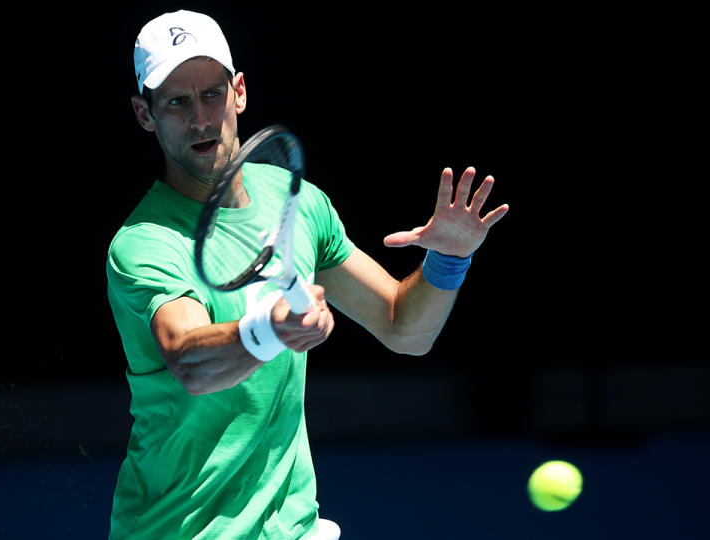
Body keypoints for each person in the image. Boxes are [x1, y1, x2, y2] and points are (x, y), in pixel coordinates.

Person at [106, 10, 509, 539]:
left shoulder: (293, 200)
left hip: (292, 527)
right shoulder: (144, 242)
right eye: (176, 102)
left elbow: (403, 327)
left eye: (211, 94)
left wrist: (449, 260)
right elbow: (190, 362)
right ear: (145, 114)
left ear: (240, 92)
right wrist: (268, 331)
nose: (201, 118)